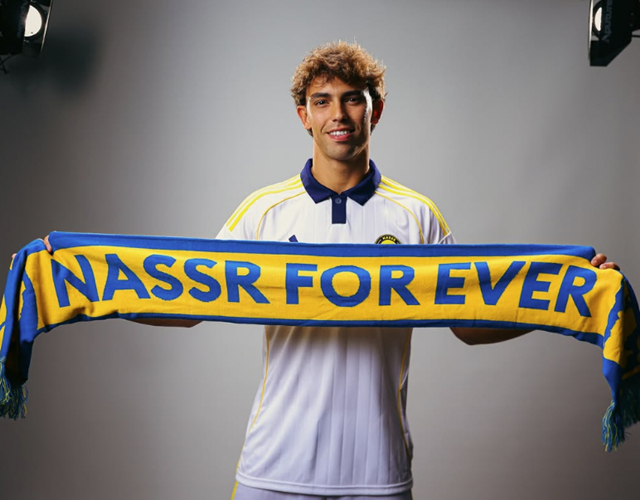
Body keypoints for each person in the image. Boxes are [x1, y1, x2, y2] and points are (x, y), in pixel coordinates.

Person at [34, 41, 618, 500]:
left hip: (379, 470)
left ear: (375, 110)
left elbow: (469, 320)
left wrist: (565, 298)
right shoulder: (264, 212)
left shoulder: (416, 215)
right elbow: (187, 303)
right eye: (322, 101)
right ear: (304, 116)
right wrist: (81, 279)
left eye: (353, 99)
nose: (339, 114)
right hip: (274, 468)